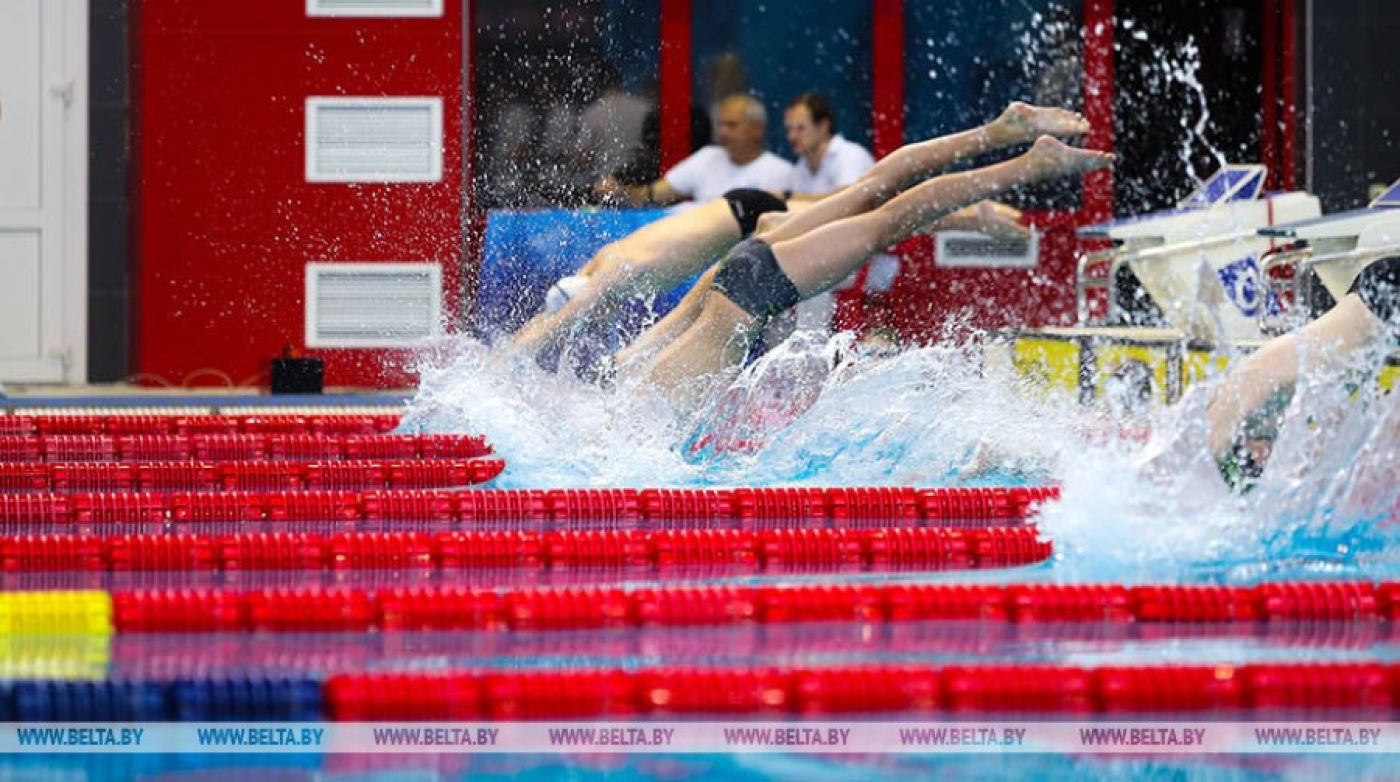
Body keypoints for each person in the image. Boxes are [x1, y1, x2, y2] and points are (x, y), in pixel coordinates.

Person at [512, 103, 1075, 371]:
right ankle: (1000, 153)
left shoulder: (611, 292)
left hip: (744, 253)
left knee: (879, 207)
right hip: (731, 261)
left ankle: (1005, 167)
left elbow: (545, 332)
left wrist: (501, 372)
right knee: (877, 204)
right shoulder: (630, 325)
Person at [617, 115, 1112, 413]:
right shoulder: (633, 370)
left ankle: (1027, 164)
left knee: (886, 216)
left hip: (750, 293)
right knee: (877, 202)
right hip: (734, 274)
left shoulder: (645, 413)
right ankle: (999, 134)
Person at [1203, 255, 1399, 483]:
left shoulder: (1233, 410)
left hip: (1381, 298)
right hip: (1374, 306)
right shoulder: (1271, 418)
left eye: (1258, 460)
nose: (1265, 459)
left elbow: (1198, 460)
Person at [593, 94, 793, 209]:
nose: (723, 132)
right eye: (721, 125)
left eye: (732, 125)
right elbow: (653, 194)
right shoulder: (706, 157)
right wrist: (620, 192)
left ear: (757, 129)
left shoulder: (782, 173)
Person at [784, 93, 876, 197]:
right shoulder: (799, 168)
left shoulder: (850, 156)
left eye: (800, 128)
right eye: (788, 129)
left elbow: (848, 201)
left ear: (823, 126)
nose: (792, 137)